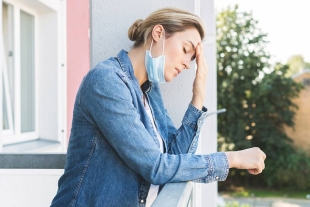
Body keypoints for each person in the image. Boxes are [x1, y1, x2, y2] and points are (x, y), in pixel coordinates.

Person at [51, 8, 266, 207]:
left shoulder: (150, 92)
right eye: (185, 50)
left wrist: (198, 95)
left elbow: (176, 155)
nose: (187, 64)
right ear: (158, 33)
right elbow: (156, 167)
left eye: (192, 59)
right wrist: (233, 159)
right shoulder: (106, 81)